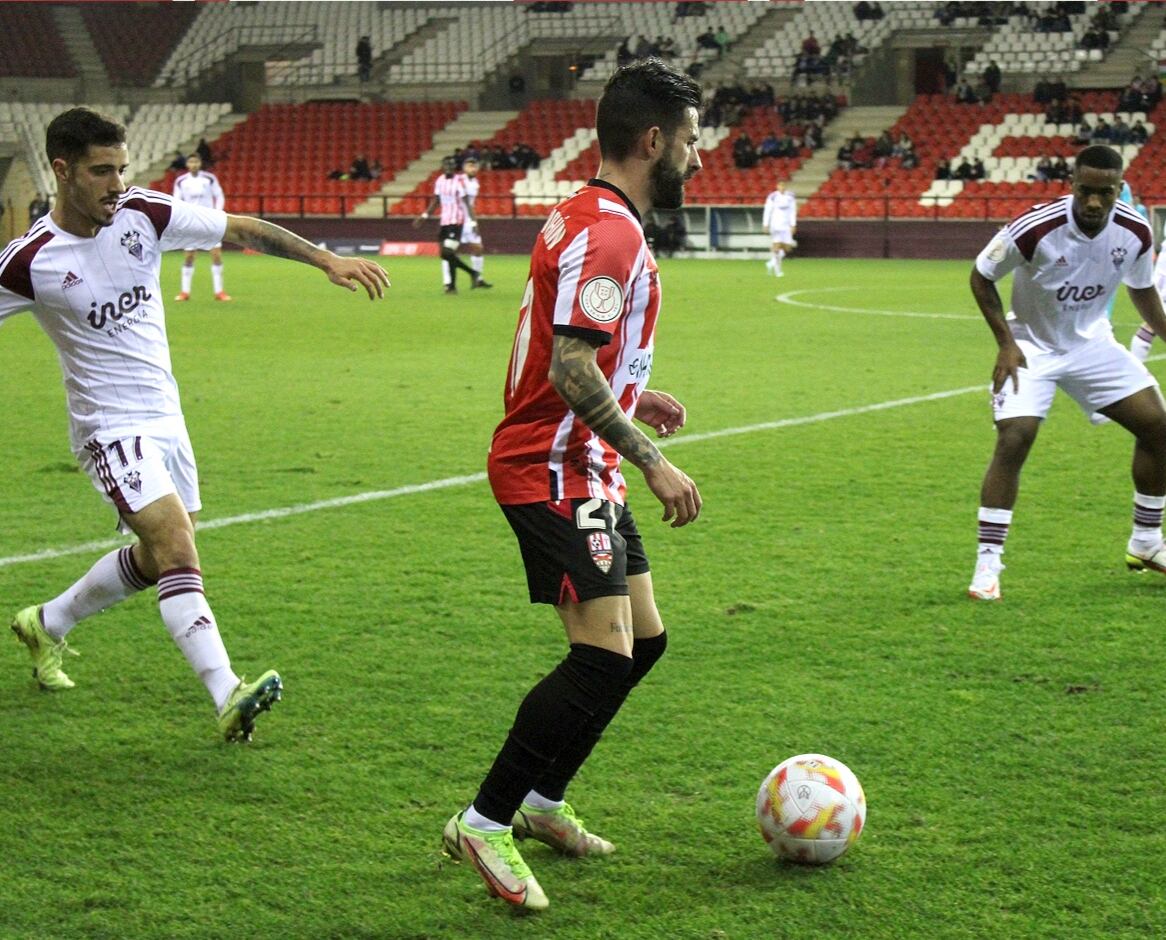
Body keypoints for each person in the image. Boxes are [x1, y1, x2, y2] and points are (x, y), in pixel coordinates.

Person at [1, 107, 390, 739]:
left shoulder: (143, 215)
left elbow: (243, 229)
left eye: (122, 168)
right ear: (62, 170)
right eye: (101, 171)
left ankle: (47, 622)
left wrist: (324, 258)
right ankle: (226, 694)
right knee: (179, 545)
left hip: (166, 418)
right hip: (107, 427)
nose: (116, 183)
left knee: (160, 559)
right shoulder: (29, 261)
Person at [441, 57, 703, 912]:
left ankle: (543, 804)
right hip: (551, 467)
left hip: (579, 459)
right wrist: (651, 457)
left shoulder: (589, 213)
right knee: (599, 658)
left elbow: (585, 355)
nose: (698, 161)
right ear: (654, 140)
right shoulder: (613, 229)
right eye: (691, 142)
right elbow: (568, 364)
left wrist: (633, 391)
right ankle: (484, 822)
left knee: (646, 644)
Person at [967, 145, 1166, 601]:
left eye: (1106, 193)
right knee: (1015, 436)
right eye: (1087, 191)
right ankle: (988, 563)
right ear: (1072, 186)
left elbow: (1143, 293)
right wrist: (1005, 342)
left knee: (1158, 426)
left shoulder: (1135, 229)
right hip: (1031, 346)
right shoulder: (1036, 228)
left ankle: (1147, 542)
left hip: (1091, 344)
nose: (1094, 202)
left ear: (1120, 189)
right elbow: (981, 276)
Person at [413, 156, 483, 293]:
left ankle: (454, 284)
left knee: (448, 252)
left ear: (454, 167)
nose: (449, 167)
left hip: (456, 221)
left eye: (451, 165)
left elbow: (467, 203)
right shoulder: (439, 180)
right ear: (443, 166)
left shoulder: (459, 182)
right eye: (446, 165)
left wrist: (473, 221)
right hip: (444, 221)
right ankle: (468, 275)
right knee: (445, 254)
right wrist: (424, 215)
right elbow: (436, 201)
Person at [172, 153, 229, 302]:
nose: (194, 164)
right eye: (191, 162)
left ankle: (219, 291)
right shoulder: (181, 181)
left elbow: (219, 195)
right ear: (187, 164)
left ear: (200, 163)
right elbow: (177, 201)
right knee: (189, 257)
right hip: (191, 223)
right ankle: (185, 292)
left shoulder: (209, 178)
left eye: (196, 161)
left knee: (216, 254)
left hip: (209, 222)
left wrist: (217, 212)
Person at [455, 157, 492, 288]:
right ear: (464, 168)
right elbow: (466, 203)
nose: (473, 168)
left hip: (467, 219)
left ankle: (478, 278)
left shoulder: (475, 182)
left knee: (478, 248)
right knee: (452, 250)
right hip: (458, 219)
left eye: (474, 166)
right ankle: (450, 282)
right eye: (470, 166)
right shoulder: (460, 181)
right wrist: (473, 222)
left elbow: (470, 204)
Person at [762, 178, 797, 285]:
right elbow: (767, 210)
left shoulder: (790, 196)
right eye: (780, 185)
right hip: (775, 224)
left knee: (788, 248)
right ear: (777, 186)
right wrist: (765, 224)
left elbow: (793, 211)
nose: (782, 187)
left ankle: (771, 263)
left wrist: (793, 224)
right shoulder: (772, 196)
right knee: (777, 247)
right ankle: (778, 271)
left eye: (783, 185)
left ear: (785, 186)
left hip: (786, 225)